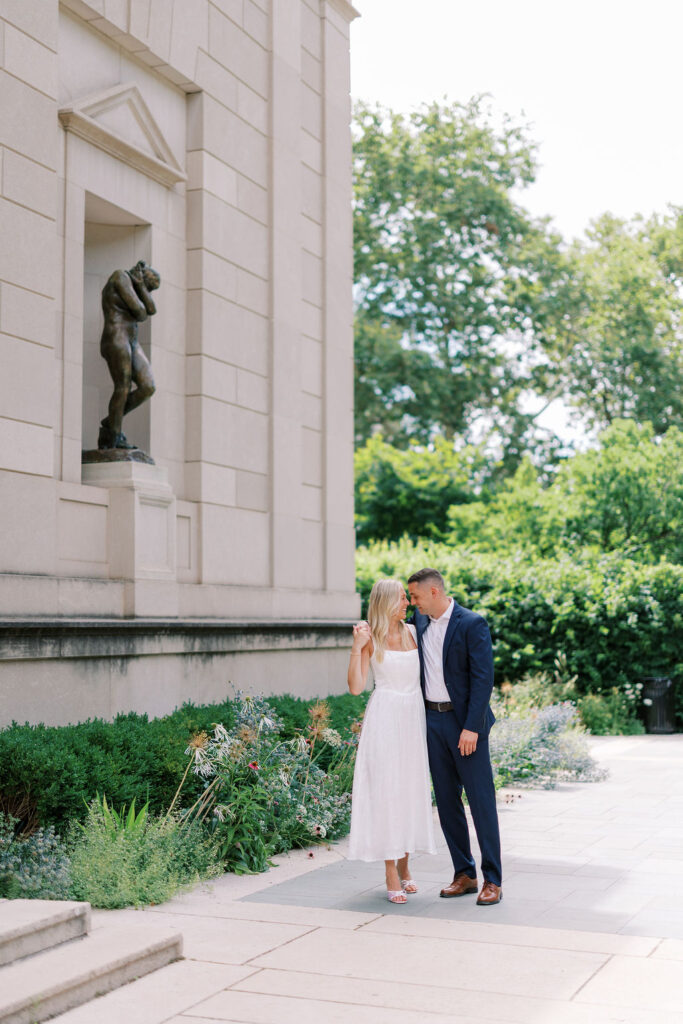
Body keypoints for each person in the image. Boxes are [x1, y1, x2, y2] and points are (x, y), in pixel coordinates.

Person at [407, 567, 502, 905]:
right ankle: (465, 873)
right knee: (447, 803)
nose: (411, 602)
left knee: (480, 802)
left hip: (465, 726)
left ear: (434, 592)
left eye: (415, 596)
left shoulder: (471, 623)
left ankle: (493, 879)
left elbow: (483, 678)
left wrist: (472, 727)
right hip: (432, 722)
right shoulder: (418, 624)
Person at [347, 578, 436, 903]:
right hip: (384, 719)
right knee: (386, 793)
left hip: (412, 719)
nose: (407, 603)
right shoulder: (371, 637)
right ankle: (389, 871)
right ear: (385, 602)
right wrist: (357, 647)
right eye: (401, 598)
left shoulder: (415, 632)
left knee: (410, 790)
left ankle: (406, 866)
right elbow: (356, 687)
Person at [98, 260, 160, 450]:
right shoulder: (120, 276)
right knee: (123, 387)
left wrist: (142, 287)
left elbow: (151, 310)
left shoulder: (136, 285)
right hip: (116, 337)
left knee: (148, 387)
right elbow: (141, 312)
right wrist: (141, 287)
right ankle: (112, 438)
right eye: (145, 275)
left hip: (131, 341)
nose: (140, 272)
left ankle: (111, 423)